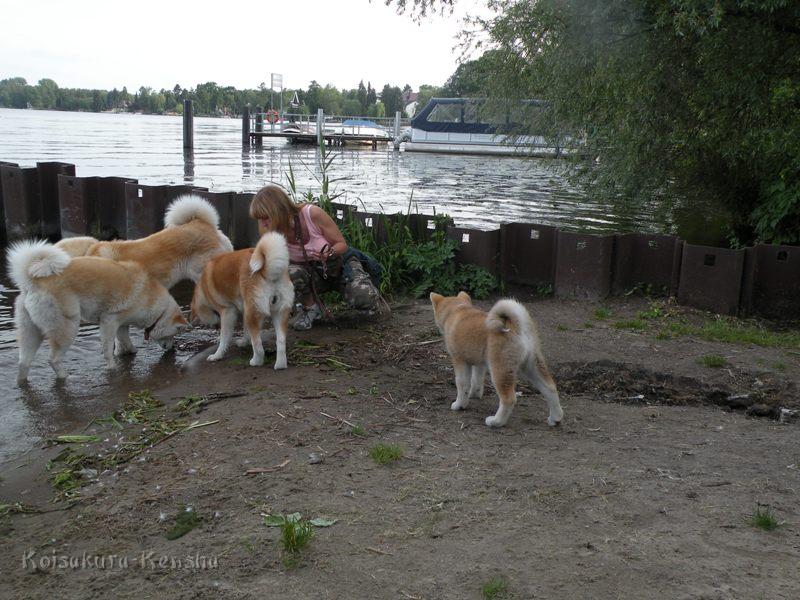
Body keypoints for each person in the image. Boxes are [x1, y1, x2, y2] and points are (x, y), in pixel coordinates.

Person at [249, 184, 382, 330]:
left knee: (364, 300)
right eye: (259, 219)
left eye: (265, 217)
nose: (262, 223)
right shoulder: (268, 229)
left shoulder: (312, 214)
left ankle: (374, 299)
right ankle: (310, 309)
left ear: (279, 211)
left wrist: (328, 253)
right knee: (289, 273)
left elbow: (341, 244)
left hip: (338, 266)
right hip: (310, 273)